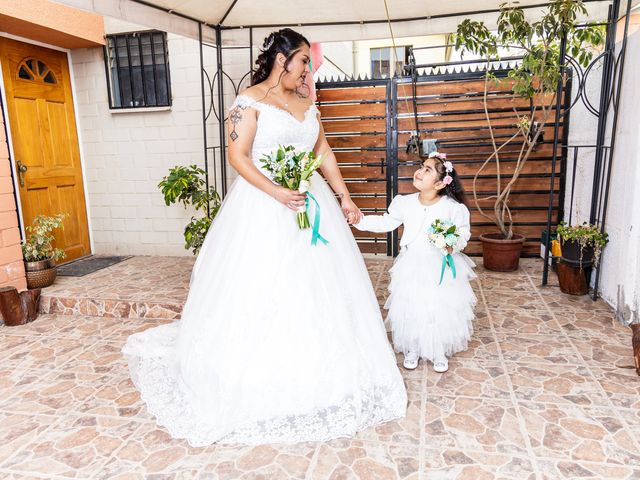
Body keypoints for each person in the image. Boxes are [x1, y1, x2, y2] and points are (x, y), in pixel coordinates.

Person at [122, 28, 407, 447]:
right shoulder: (246, 103)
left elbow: (322, 150)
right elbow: (238, 157)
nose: (309, 69)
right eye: (304, 61)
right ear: (282, 59)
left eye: (310, 62)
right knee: (264, 287)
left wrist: (345, 198)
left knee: (320, 287)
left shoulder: (308, 100)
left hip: (312, 204)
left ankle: (326, 368)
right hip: (263, 206)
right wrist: (276, 192)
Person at [354, 153, 477, 372]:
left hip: (440, 265)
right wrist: (359, 221)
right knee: (411, 305)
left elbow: (462, 234)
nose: (419, 171)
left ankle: (438, 349)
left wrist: (451, 245)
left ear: (440, 183)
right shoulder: (404, 202)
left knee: (437, 307)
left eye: (428, 170)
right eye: (421, 166)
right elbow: (385, 222)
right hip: (411, 264)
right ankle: (413, 346)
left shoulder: (453, 208)